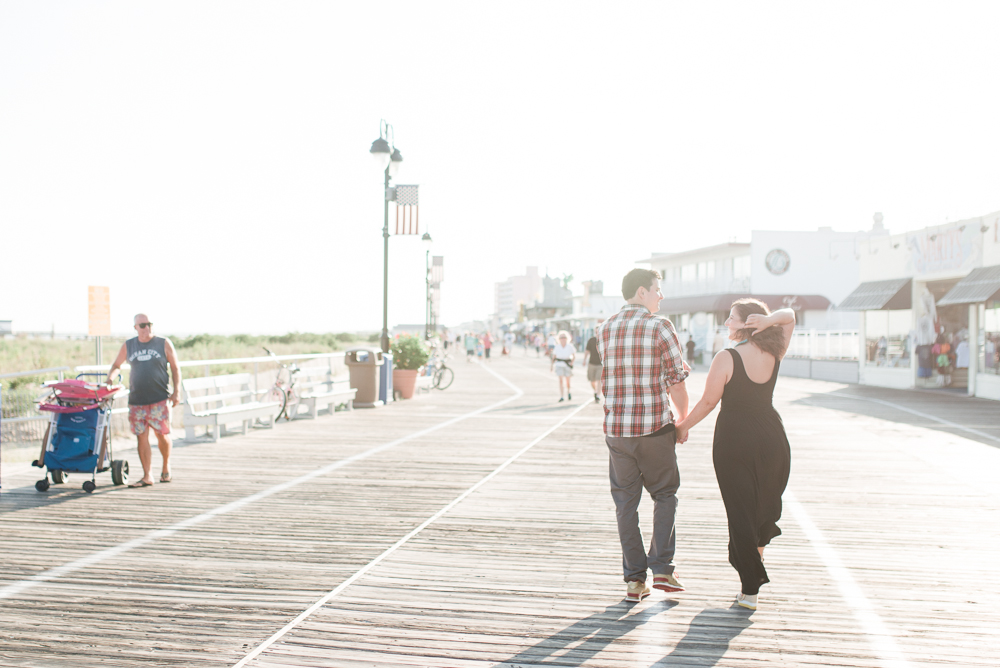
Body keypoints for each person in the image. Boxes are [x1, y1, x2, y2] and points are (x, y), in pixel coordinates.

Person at [675, 299, 794, 611]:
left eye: (731, 318)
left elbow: (707, 403)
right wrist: (769, 322)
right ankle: (751, 587)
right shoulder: (774, 351)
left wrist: (681, 428)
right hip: (771, 437)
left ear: (748, 322)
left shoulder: (726, 357)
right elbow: (790, 316)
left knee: (741, 511)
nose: (727, 323)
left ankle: (750, 587)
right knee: (763, 507)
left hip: (734, 441)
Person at [598, 268, 689, 602]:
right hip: (653, 429)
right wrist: (683, 421)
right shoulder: (659, 326)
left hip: (617, 431)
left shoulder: (604, 328)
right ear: (641, 292)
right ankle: (662, 568)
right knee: (665, 494)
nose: (660, 296)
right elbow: (676, 380)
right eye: (657, 289)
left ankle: (635, 580)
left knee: (626, 503)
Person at [106, 314, 181, 487]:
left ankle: (165, 466)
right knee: (141, 437)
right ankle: (147, 475)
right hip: (136, 400)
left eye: (149, 324)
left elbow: (176, 368)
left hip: (159, 398)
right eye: (142, 325)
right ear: (135, 327)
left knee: (162, 435)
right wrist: (110, 378)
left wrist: (176, 392)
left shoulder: (163, 343)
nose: (146, 328)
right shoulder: (129, 345)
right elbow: (117, 365)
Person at [549, 330, 576, 402]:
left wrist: (571, 363)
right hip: (559, 364)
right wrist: (551, 366)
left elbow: (574, 356)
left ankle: (569, 391)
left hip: (567, 364)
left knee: (568, 381)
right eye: (561, 337)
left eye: (564, 337)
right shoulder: (557, 347)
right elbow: (554, 357)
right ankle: (561, 396)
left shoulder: (570, 346)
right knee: (560, 381)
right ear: (559, 339)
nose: (563, 339)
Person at [583, 331, 602, 403]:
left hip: (600, 364)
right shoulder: (591, 340)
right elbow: (587, 351)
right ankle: (595, 390)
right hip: (592, 363)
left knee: (599, 379)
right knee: (592, 380)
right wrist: (584, 360)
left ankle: (598, 395)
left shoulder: (603, 339)